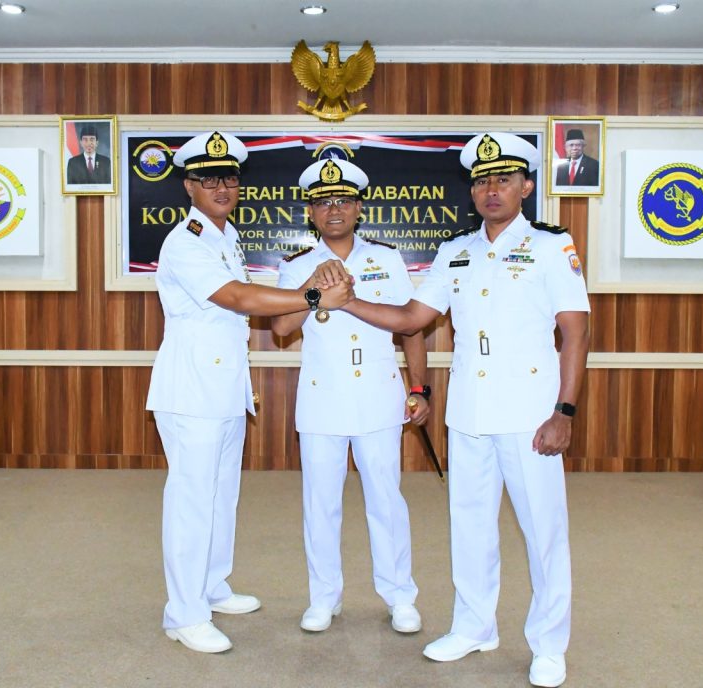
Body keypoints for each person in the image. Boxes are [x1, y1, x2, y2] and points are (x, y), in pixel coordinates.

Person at [341, 132, 590, 688]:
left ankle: (549, 645)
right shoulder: (456, 250)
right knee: (471, 527)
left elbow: (575, 333)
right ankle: (474, 626)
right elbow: (413, 317)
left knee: (543, 533)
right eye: (481, 181)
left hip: (530, 414)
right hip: (470, 413)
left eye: (503, 179)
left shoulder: (551, 245)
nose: (491, 189)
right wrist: (350, 301)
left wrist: (565, 411)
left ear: (526, 186)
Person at [146, 131, 354, 654]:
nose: (222, 187)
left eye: (230, 178)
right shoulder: (185, 241)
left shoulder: (225, 235)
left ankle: (212, 586)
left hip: (223, 388)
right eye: (209, 179)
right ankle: (184, 613)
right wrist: (313, 295)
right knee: (192, 501)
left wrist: (307, 294)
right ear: (189, 186)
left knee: (222, 495)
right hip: (191, 391)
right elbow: (237, 297)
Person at [272, 156, 429, 635]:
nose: (334, 209)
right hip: (323, 399)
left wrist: (419, 388)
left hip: (379, 396)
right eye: (323, 202)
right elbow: (281, 328)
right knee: (321, 503)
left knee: (386, 500)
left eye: (343, 200)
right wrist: (312, 287)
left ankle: (399, 596)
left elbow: (411, 327)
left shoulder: (386, 258)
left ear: (359, 207)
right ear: (310, 212)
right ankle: (324, 598)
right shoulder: (297, 265)